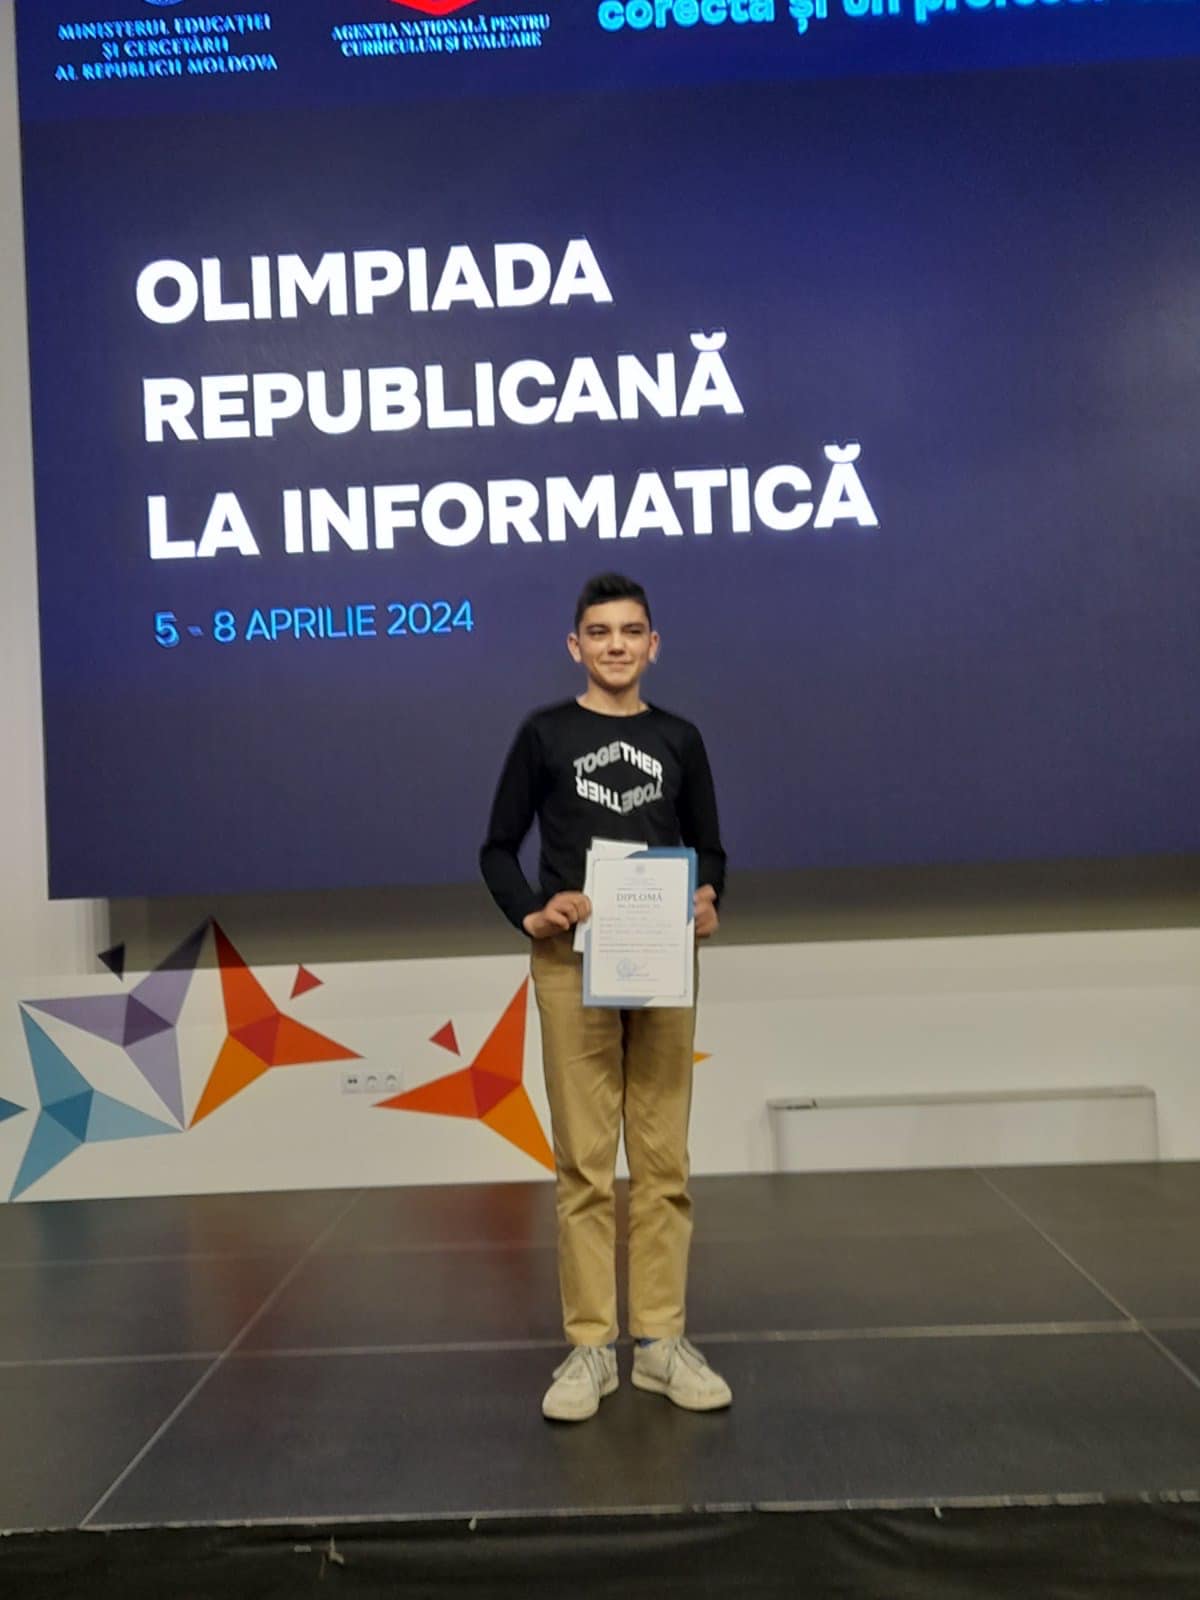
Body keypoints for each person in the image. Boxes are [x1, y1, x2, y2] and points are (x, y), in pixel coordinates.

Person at [479, 571, 732, 1423]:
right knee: (584, 1165)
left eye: (630, 631)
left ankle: (659, 1343)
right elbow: (496, 848)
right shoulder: (545, 733)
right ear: (575, 645)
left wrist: (707, 899)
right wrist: (531, 911)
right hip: (570, 965)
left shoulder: (680, 738)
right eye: (599, 631)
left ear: (653, 645)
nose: (615, 644)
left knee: (663, 1162)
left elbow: (710, 850)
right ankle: (591, 1347)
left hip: (660, 965)